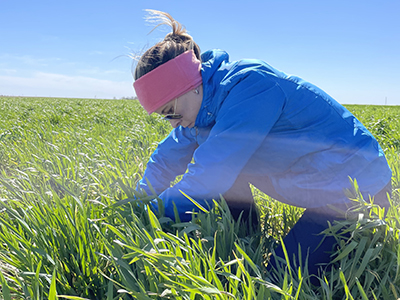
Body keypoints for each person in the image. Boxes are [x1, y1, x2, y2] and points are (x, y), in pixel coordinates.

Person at [132, 10, 392, 282]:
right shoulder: (201, 110)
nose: (173, 123)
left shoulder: (252, 87)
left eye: (171, 111)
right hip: (321, 185)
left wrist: (151, 215)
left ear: (189, 86)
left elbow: (210, 176)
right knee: (213, 160)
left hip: (359, 188)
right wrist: (137, 203)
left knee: (282, 279)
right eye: (165, 116)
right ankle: (246, 239)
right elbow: (165, 158)